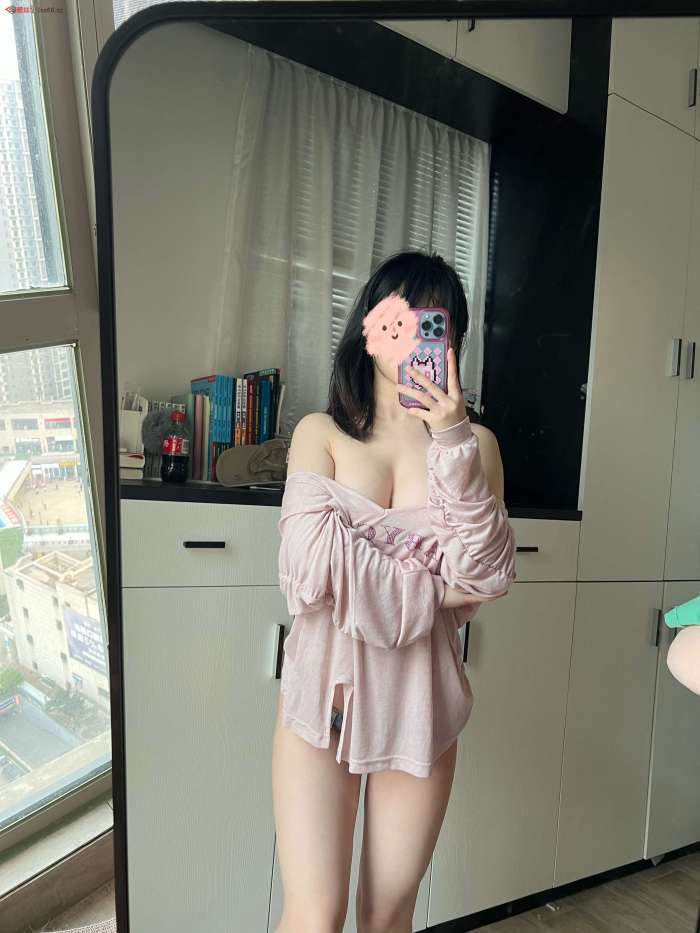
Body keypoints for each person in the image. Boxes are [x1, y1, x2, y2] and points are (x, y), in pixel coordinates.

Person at [271, 249, 516, 933]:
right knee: (314, 917)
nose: (411, 337)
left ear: (452, 339)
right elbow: (308, 570)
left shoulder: (476, 445)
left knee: (386, 919)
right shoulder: (319, 432)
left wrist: (452, 437)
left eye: (432, 323)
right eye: (397, 317)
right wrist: (431, 588)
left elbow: (485, 574)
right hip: (322, 706)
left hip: (421, 710)